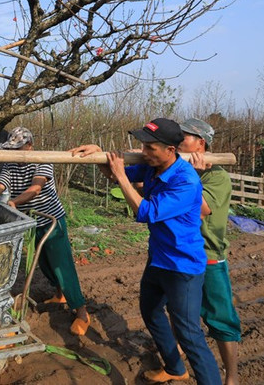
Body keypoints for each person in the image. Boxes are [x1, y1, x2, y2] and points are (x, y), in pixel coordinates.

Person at [72, 118, 221, 385]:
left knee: (189, 335)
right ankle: (175, 368)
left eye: (151, 147)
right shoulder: (151, 167)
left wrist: (118, 174)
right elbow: (115, 174)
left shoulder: (185, 182)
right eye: (143, 145)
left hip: (182, 267)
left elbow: (146, 211)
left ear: (170, 150)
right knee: (150, 311)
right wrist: (98, 154)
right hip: (159, 259)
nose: (144, 151)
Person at [0, 127, 91, 336]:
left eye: (18, 148)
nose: (14, 153)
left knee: (62, 265)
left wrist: (14, 202)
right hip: (31, 220)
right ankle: (60, 295)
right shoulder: (11, 163)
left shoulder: (42, 160)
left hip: (51, 220)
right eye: (11, 149)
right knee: (45, 264)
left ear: (29, 145)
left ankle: (82, 312)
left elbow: (35, 189)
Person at [179, 118, 241, 385]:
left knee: (220, 317)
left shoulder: (217, 176)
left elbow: (201, 207)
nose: (177, 142)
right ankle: (175, 364)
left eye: (183, 137)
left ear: (200, 143)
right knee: (179, 313)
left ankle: (232, 377)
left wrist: (191, 175)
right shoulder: (180, 169)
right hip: (181, 254)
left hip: (208, 256)